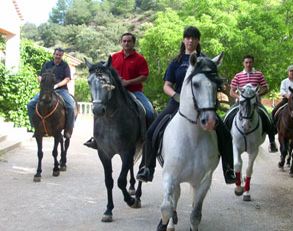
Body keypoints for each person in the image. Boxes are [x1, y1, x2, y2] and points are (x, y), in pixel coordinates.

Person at [136, 26, 236, 184]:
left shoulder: (206, 61)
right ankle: (147, 168)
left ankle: (229, 170)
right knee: (151, 132)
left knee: (225, 134)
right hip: (177, 103)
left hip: (202, 106)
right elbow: (166, 85)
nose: (190, 40)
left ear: (198, 41)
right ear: (183, 40)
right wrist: (176, 96)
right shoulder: (176, 62)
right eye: (187, 37)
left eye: (194, 38)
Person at [84, 32, 154, 148]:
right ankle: (96, 139)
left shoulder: (140, 59)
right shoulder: (114, 58)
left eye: (129, 41)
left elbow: (144, 76)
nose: (126, 43)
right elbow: (106, 73)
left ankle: (146, 139)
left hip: (135, 91)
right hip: (115, 92)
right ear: (121, 43)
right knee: (98, 108)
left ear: (133, 43)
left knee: (149, 112)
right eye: (124, 41)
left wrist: (128, 82)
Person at [224, 55, 278, 153]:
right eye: (246, 62)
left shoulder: (259, 74)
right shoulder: (238, 75)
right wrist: (239, 97)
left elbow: (265, 87)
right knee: (227, 116)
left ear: (253, 63)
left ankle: (272, 142)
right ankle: (224, 140)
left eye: (250, 62)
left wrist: (257, 94)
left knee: (268, 118)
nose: (248, 64)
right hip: (241, 103)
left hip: (255, 103)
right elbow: (232, 92)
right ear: (243, 63)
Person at [27, 47, 76, 138]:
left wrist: (56, 85)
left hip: (61, 90)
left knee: (71, 106)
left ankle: (68, 129)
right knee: (30, 105)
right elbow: (40, 76)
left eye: (60, 55)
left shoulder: (65, 65)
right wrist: (42, 82)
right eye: (57, 54)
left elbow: (67, 79)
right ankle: (34, 127)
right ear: (54, 54)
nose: (58, 56)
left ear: (62, 56)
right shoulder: (47, 64)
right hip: (47, 90)